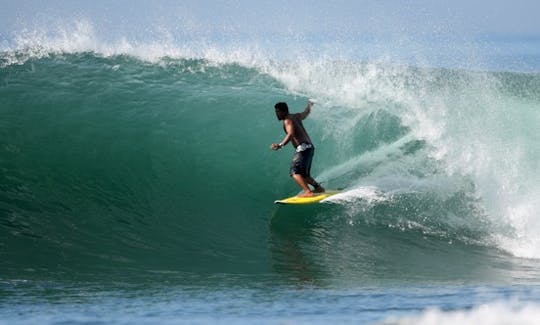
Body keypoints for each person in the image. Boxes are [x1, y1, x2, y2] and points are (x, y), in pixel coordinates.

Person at [271, 100, 325, 197]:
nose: (276, 114)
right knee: (304, 174)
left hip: (302, 148)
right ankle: (318, 188)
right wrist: (309, 105)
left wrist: (280, 145)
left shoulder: (287, 120)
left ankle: (308, 192)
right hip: (309, 147)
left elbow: (290, 134)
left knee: (294, 172)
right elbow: (306, 113)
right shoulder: (296, 116)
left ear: (282, 111)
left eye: (277, 112)